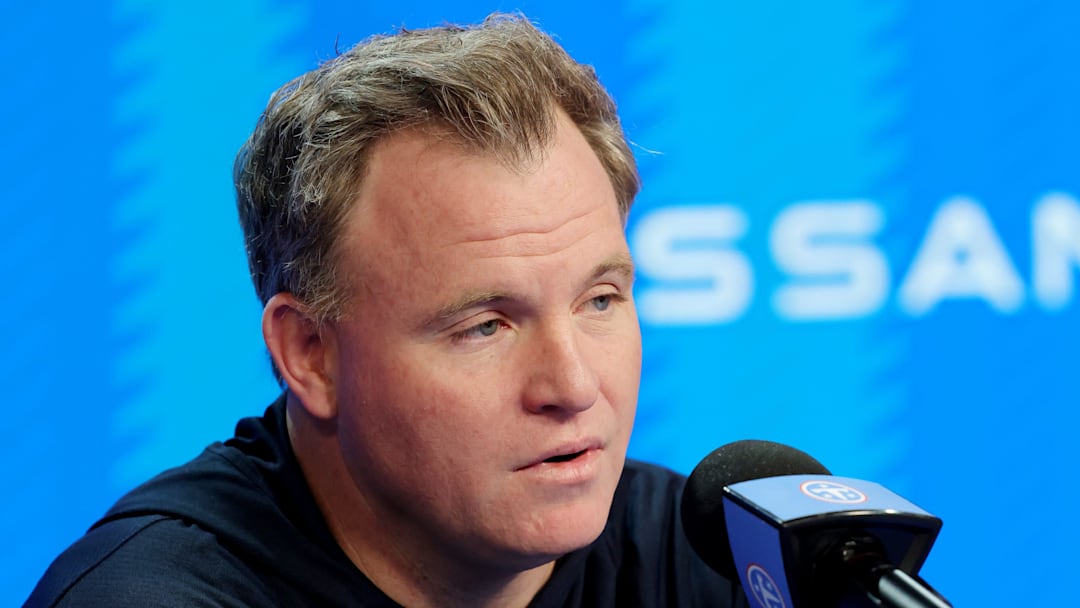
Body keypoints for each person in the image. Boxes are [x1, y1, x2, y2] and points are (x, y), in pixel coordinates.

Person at [27, 13, 746, 608]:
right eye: (485, 325)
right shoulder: (149, 596)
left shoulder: (724, 563)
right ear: (310, 353)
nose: (574, 387)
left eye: (600, 299)